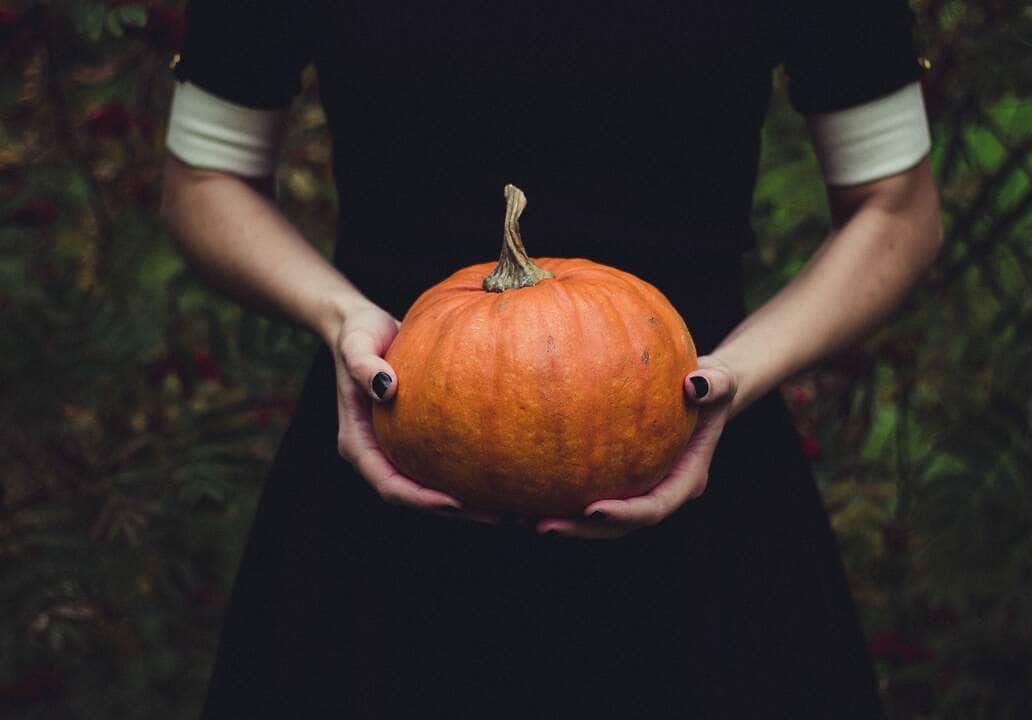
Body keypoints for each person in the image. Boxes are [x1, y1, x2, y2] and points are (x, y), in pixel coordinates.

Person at [160, 0, 943, 717]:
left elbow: (896, 209)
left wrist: (735, 375)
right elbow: (205, 178)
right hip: (391, 438)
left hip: (696, 453)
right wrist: (341, 320)